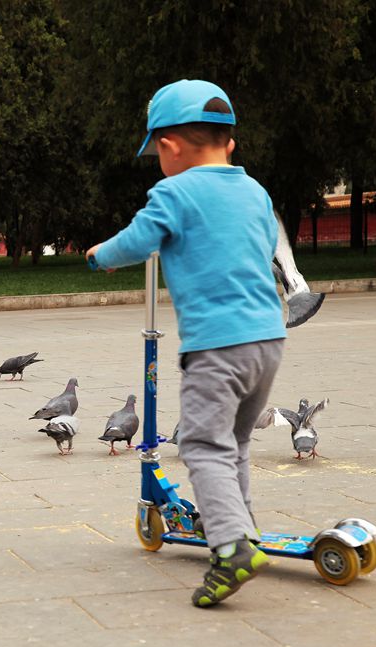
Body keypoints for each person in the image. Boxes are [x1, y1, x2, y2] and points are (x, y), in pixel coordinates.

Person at [86, 80, 286, 607]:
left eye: (156, 153)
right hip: (267, 341)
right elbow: (264, 245)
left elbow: (138, 240)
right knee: (234, 442)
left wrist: (98, 256)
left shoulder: (174, 192)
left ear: (169, 147)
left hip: (216, 348)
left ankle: (231, 547)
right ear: (230, 144)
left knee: (200, 445)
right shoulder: (256, 191)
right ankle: (242, 530)